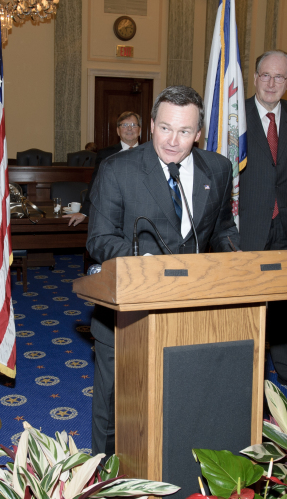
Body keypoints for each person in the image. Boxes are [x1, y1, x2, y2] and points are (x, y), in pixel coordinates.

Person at [86, 86, 240, 456]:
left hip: (193, 309)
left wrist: (235, 261)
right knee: (115, 406)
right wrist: (150, 262)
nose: (173, 140)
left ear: (198, 133)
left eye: (185, 131)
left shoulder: (217, 168)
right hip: (128, 309)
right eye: (166, 128)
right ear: (151, 125)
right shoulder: (117, 169)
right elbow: (100, 239)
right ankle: (104, 482)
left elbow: (221, 230)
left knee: (183, 400)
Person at [238, 50, 287, 399]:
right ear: (255, 77)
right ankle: (241, 370)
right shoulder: (234, 116)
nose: (271, 83)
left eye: (279, 77)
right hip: (245, 228)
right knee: (242, 304)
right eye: (265, 76)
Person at [65, 111, 141, 226]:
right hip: (113, 217)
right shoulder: (105, 154)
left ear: (139, 130)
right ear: (118, 131)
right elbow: (96, 183)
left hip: (142, 216)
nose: (129, 129)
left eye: (133, 125)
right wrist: (84, 212)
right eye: (124, 125)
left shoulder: (151, 154)